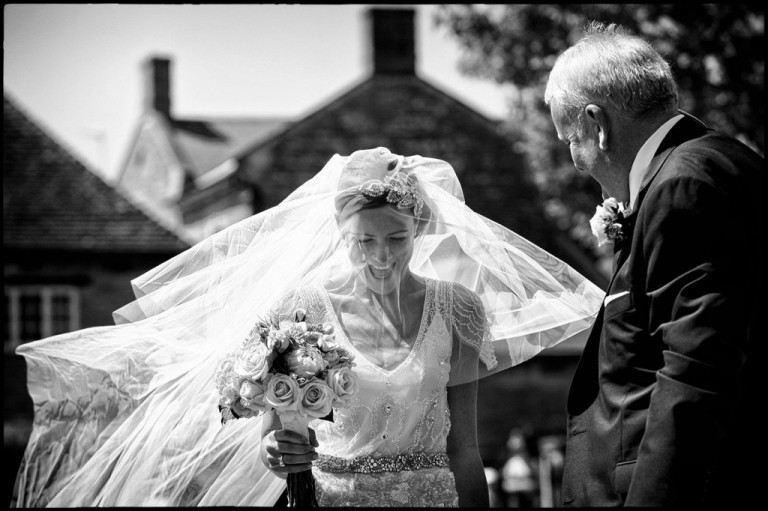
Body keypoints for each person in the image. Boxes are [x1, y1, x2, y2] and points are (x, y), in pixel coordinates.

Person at [12, 148, 603, 507]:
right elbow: (275, 439)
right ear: (341, 238)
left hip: (432, 498)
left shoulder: (460, 308)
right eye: (363, 241)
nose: (379, 255)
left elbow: (466, 447)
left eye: (395, 238)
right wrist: (276, 447)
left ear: (417, 231)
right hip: (328, 500)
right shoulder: (304, 309)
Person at [544, 22, 764, 507]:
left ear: (597, 127)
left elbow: (696, 369)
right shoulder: (727, 163)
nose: (575, 161)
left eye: (569, 141)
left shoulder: (684, 186)